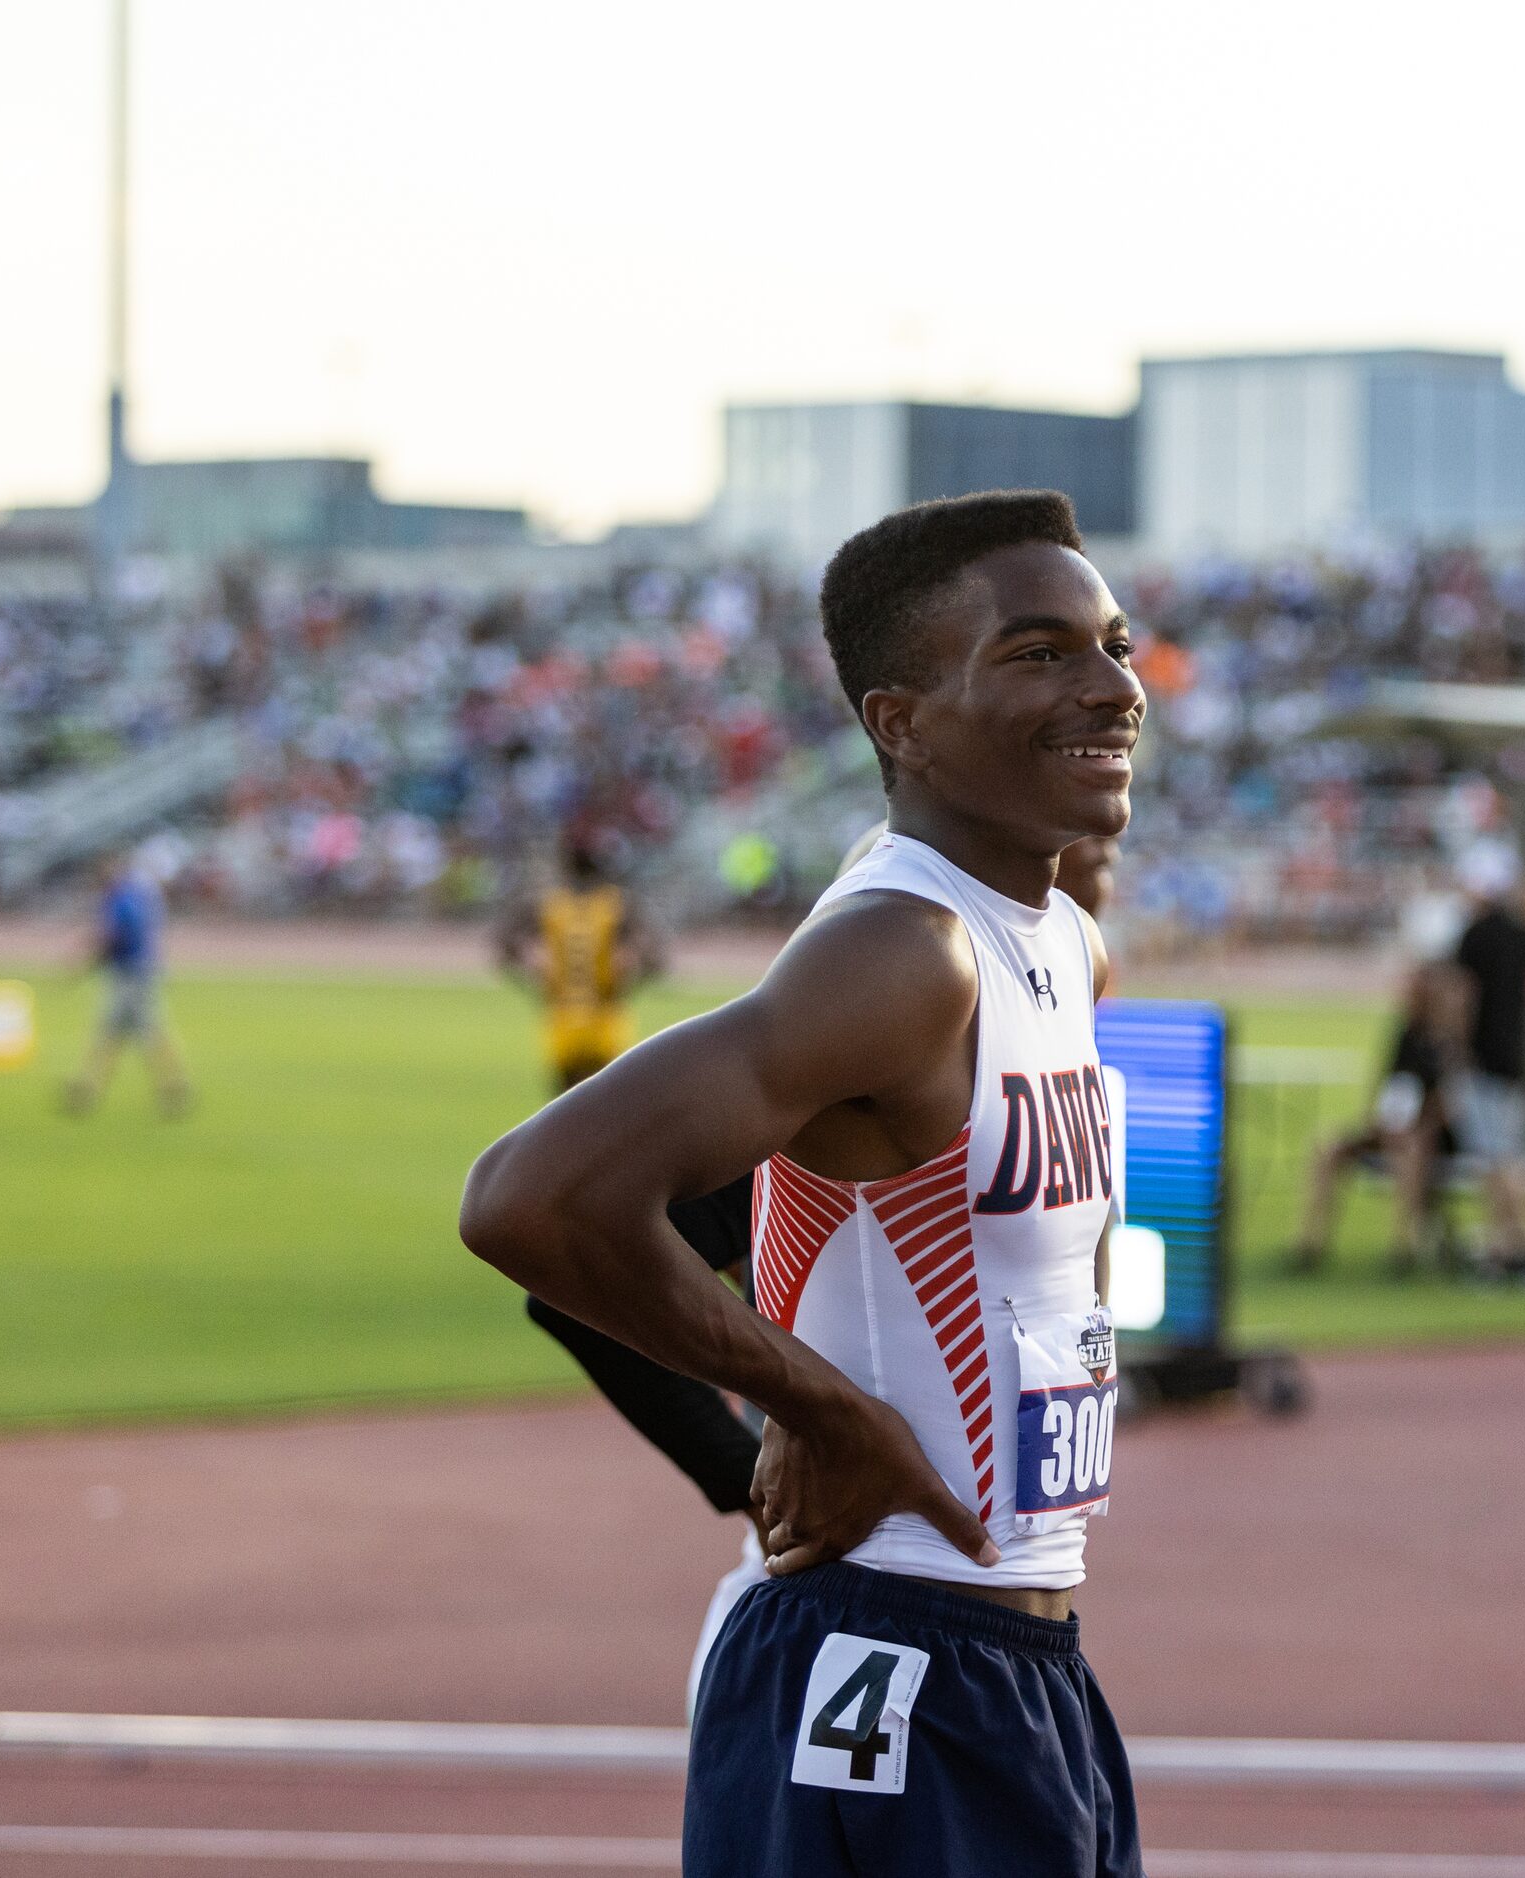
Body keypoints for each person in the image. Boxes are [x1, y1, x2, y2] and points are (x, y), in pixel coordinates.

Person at [460, 491, 1142, 1878]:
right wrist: (820, 1410)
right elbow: (530, 1199)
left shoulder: (1063, 942)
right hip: (886, 1650)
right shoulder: (905, 953)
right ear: (900, 722)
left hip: (1016, 1654)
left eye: (1111, 644)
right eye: (1037, 653)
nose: (1112, 686)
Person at [1287, 960, 1461, 1277]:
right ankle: (1309, 1244)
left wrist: (1413, 1126)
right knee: (1328, 1144)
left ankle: (1403, 1249)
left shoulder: (1448, 1043)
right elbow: (1389, 1088)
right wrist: (1379, 1123)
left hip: (1426, 1138)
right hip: (1391, 1128)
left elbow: (1449, 1106)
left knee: (1409, 1151)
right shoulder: (1405, 1034)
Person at [1449, 846, 1525, 1287]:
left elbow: (1462, 998)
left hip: (1486, 1057)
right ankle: (1505, 1247)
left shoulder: (1474, 935)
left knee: (1500, 1159)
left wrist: (1456, 1052)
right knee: (1504, 1156)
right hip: (1520, 1055)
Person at [496, 839, 663, 1092]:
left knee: (568, 1107)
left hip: (575, 1017)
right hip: (600, 1018)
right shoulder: (615, 905)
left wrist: (534, 975)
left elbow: (506, 946)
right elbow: (655, 959)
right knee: (602, 1103)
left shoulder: (552, 903)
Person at [62, 849, 191, 1118]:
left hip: (130, 974)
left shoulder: (120, 899)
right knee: (120, 1032)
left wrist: (83, 964)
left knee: (136, 1031)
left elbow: (113, 937)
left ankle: (172, 1086)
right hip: (137, 970)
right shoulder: (133, 895)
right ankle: (90, 1088)